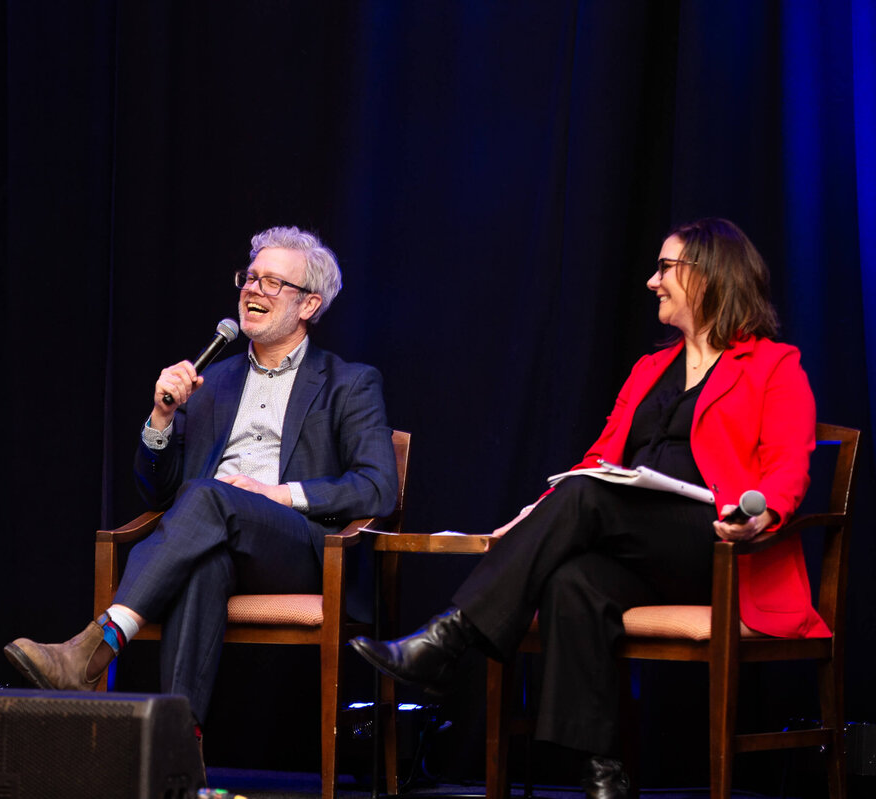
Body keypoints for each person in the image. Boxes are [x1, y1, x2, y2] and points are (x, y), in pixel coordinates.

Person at [350, 218, 825, 799]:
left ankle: (449, 638)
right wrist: (540, 512)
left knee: (587, 498)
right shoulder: (651, 369)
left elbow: (788, 466)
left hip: (720, 544)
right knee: (573, 580)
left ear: (706, 277)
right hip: (638, 540)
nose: (652, 282)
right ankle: (603, 774)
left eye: (665, 269)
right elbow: (599, 459)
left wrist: (763, 516)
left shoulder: (774, 365)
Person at [4, 225, 399, 737]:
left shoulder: (349, 382)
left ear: (308, 305)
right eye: (250, 277)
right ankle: (179, 750)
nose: (252, 290)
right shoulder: (212, 381)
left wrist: (278, 494)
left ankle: (93, 647)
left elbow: (377, 486)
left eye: (272, 282)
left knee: (209, 497)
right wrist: (161, 418)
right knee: (201, 559)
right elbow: (158, 494)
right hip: (214, 538)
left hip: (302, 550)